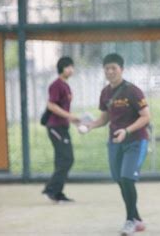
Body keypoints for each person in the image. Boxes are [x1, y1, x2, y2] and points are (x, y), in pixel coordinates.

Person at [82, 53, 150, 236]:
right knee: (121, 180)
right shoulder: (105, 93)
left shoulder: (133, 91)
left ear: (122, 69)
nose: (110, 72)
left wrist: (126, 131)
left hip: (136, 141)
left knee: (127, 178)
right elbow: (104, 118)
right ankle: (137, 219)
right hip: (114, 143)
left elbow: (146, 117)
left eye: (114, 68)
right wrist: (91, 125)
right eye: (107, 68)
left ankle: (130, 221)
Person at [42, 56, 80, 203]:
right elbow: (51, 105)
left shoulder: (66, 85)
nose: (71, 69)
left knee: (62, 160)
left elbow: (63, 108)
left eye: (72, 66)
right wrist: (70, 116)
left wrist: (75, 121)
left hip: (63, 126)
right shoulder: (56, 85)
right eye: (68, 67)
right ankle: (52, 190)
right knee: (67, 159)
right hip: (55, 127)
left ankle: (57, 193)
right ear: (61, 69)